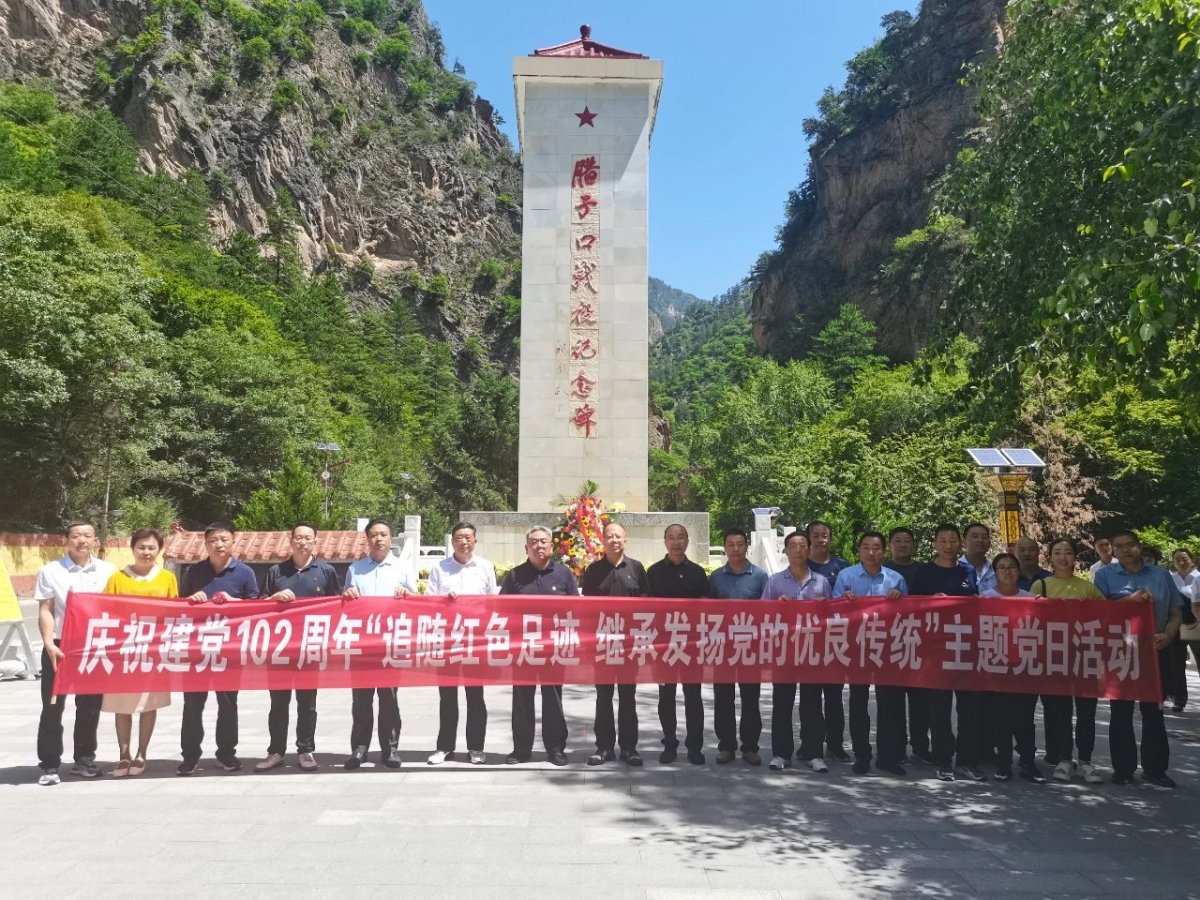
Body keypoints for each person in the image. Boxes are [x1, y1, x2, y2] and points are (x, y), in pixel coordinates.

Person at [1095, 530, 1185, 788]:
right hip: (1120, 650)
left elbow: (1176, 611)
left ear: (1139, 546)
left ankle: (1155, 770)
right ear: (1113, 550)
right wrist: (1128, 600)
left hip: (1155, 649)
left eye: (1130, 545)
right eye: (1119, 546)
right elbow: (1099, 612)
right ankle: (1123, 769)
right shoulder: (1104, 576)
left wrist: (1168, 634)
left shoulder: (1161, 575)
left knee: (1154, 711)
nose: (1125, 550)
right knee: (1120, 712)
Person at [34, 521, 116, 785]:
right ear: (66, 540)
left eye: (87, 535)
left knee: (90, 707)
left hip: (94, 644)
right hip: (59, 645)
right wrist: (49, 643)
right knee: (52, 707)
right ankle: (49, 764)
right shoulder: (51, 571)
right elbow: (45, 609)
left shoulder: (108, 571)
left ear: (95, 540)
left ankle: (84, 759)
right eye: (76, 536)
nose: (82, 540)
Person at [255, 522, 341, 772]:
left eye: (307, 538)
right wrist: (273, 598)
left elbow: (336, 607)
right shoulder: (276, 571)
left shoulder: (326, 571)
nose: (302, 542)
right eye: (298, 538)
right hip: (279, 649)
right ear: (290, 541)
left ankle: (305, 750)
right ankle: (276, 751)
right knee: (278, 704)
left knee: (307, 704)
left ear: (315, 541)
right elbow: (259, 605)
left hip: (310, 647)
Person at [178, 522, 259, 776]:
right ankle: (190, 756)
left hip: (229, 649)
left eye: (224, 539)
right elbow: (179, 606)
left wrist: (235, 602)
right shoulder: (194, 572)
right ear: (206, 544)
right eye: (213, 540)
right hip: (197, 649)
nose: (219, 544)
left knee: (228, 704)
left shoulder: (245, 572)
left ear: (233, 541)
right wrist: (192, 600)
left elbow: (256, 608)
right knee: (193, 704)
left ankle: (226, 754)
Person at [909, 524, 982, 782]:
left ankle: (967, 761)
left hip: (965, 649)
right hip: (936, 651)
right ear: (935, 544)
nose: (948, 546)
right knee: (939, 710)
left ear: (959, 544)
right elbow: (912, 607)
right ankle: (942, 760)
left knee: (970, 709)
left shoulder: (968, 571)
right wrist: (932, 601)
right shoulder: (924, 572)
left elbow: (976, 604)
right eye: (943, 541)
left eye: (953, 541)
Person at [833, 531, 908, 776]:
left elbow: (910, 615)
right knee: (858, 703)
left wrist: (900, 599)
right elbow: (833, 613)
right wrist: (843, 600)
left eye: (876, 548)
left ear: (883, 552)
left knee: (889, 704)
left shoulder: (896, 579)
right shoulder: (846, 577)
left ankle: (887, 756)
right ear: (859, 551)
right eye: (866, 547)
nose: (871, 552)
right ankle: (862, 755)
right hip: (857, 649)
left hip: (888, 650)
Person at [501, 526, 577, 766]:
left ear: (552, 546)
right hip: (523, 647)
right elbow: (501, 609)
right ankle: (521, 749)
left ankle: (555, 749)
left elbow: (577, 609)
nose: (539, 546)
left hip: (553, 648)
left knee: (553, 698)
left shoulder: (564, 574)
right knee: (522, 699)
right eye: (534, 542)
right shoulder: (514, 576)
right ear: (526, 547)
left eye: (543, 541)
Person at [102, 528, 176, 777]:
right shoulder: (117, 578)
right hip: (123, 649)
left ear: (159, 550)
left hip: (153, 650)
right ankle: (124, 755)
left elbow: (174, 613)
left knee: (148, 703)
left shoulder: (167, 578)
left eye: (151, 548)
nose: (146, 552)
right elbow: (105, 611)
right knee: (122, 704)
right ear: (132, 549)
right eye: (141, 547)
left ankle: (142, 754)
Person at [1031, 539, 1105, 784]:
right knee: (1060, 713)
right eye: (1057, 553)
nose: (1063, 557)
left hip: (1085, 656)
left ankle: (1085, 761)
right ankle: (1064, 759)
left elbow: (1107, 617)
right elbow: (1029, 620)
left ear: (1075, 557)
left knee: (1086, 713)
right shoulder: (1041, 585)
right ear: (1050, 557)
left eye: (1068, 553)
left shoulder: (1088, 588)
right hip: (1055, 658)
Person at [342, 517, 413, 769]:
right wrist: (347, 595)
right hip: (362, 644)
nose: (379, 539)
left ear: (391, 538)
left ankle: (390, 749)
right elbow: (345, 603)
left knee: (389, 699)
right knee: (361, 700)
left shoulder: (402, 568)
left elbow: (417, 602)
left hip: (390, 643)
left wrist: (407, 595)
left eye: (383, 534)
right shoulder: (355, 569)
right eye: (374, 534)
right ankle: (359, 749)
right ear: (367, 538)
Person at [426, 522, 498, 766]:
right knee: (447, 697)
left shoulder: (485, 567)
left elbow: (493, 602)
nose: (464, 541)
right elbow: (428, 602)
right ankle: (444, 747)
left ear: (475, 540)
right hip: (447, 640)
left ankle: (476, 747)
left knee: (475, 696)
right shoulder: (440, 567)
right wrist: (444, 601)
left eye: (468, 537)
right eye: (459, 537)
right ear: (452, 542)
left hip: (475, 641)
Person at [761, 531, 831, 771]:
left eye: (803, 545)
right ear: (785, 551)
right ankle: (781, 754)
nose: (798, 550)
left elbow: (834, 618)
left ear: (810, 550)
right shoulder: (774, 581)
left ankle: (814, 753)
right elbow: (761, 615)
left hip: (812, 651)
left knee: (812, 704)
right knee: (782, 703)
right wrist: (776, 607)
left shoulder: (821, 582)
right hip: (784, 651)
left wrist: (823, 607)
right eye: (793, 545)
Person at [584, 522, 649, 767]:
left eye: (618, 536)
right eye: (609, 536)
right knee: (603, 697)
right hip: (602, 644)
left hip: (629, 646)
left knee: (628, 697)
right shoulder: (593, 570)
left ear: (625, 540)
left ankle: (629, 748)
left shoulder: (636, 568)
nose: (614, 540)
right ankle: (604, 747)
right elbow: (586, 609)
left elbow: (646, 606)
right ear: (603, 541)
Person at [647, 524, 709, 765]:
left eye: (681, 537)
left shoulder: (697, 573)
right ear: (665, 541)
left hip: (692, 646)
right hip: (664, 646)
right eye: (671, 538)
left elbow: (707, 608)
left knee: (693, 697)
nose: (676, 542)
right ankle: (669, 744)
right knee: (666, 696)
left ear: (687, 541)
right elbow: (646, 609)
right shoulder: (653, 572)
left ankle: (695, 747)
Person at [981, 552, 1045, 784]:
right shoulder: (985, 598)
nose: (1007, 571)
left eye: (1011, 567)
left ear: (1018, 572)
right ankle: (1004, 763)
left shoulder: (1030, 599)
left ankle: (1028, 762)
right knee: (1001, 718)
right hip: (997, 668)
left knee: (1025, 719)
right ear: (995, 573)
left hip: (1024, 667)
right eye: (1002, 567)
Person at [708, 528, 769, 766]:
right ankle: (726, 746)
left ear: (746, 546)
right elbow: (705, 612)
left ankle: (750, 747)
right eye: (731, 544)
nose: (735, 549)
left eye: (740, 544)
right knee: (723, 699)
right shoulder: (715, 577)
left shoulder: (760, 576)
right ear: (725, 547)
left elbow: (769, 610)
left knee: (751, 699)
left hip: (751, 648)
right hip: (722, 648)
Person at [885, 526, 930, 766]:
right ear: (890, 546)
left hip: (921, 642)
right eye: (898, 541)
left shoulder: (924, 570)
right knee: (893, 702)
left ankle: (921, 748)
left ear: (914, 545)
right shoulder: (883, 571)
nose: (903, 545)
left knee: (920, 700)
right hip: (891, 643)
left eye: (907, 541)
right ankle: (897, 748)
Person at [1169, 548, 1200, 713]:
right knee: (1177, 664)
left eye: (1184, 558)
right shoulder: (1170, 579)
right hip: (1175, 626)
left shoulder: (1198, 577)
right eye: (1177, 559)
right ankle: (1179, 699)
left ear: (1192, 560)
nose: (1181, 562)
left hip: (1196, 625)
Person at [959, 523, 995, 594]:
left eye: (984, 537)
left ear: (989, 543)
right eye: (975, 536)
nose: (980, 540)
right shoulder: (954, 570)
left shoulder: (996, 570)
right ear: (964, 542)